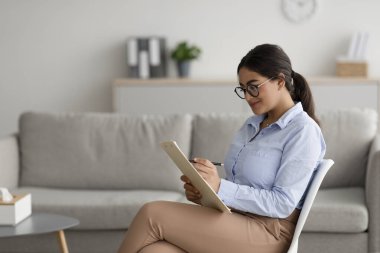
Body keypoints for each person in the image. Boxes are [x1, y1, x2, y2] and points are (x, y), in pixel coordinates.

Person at [117, 44, 326, 253]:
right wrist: (205, 194)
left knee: (152, 213)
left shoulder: (303, 131)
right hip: (235, 219)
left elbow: (282, 203)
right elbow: (239, 188)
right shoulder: (251, 125)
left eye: (253, 86)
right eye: (243, 89)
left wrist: (219, 186)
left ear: (280, 81)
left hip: (270, 233)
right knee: (155, 251)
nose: (247, 96)